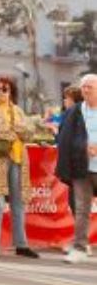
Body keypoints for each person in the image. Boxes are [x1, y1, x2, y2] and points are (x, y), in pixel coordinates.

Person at [0, 76, 39, 259]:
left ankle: (21, 244)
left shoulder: (18, 110)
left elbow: (30, 132)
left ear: (11, 90)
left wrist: (15, 130)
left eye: (4, 89)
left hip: (19, 158)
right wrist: (17, 131)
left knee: (18, 202)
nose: (0, 92)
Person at [56, 73, 97, 262]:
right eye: (84, 87)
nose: (86, 90)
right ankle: (80, 247)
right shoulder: (75, 111)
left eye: (90, 86)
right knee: (81, 209)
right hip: (82, 168)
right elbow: (65, 138)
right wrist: (83, 147)